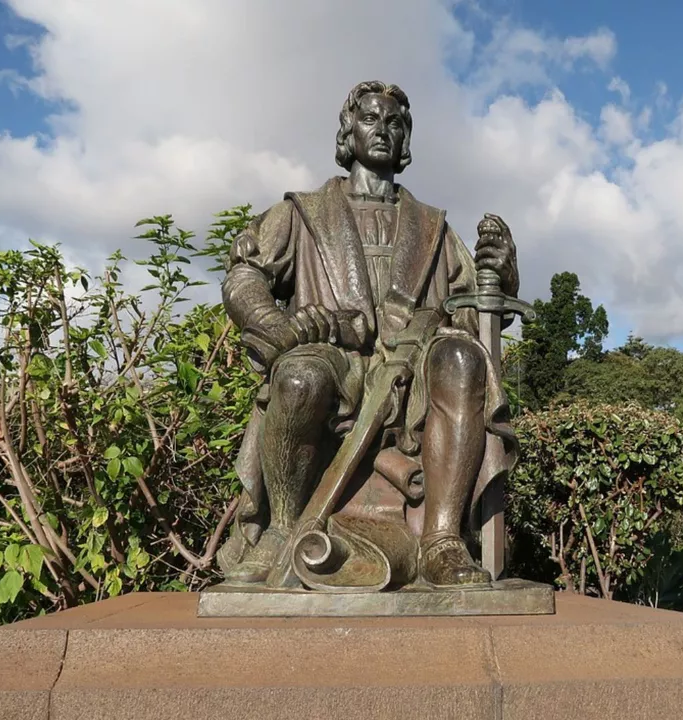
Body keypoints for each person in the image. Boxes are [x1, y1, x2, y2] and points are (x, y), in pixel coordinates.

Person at [216, 80, 520, 590]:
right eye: (371, 118)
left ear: (405, 141)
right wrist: (278, 326)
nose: (384, 129)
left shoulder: (434, 227)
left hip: (413, 369)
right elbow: (244, 274)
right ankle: (284, 529)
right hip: (337, 360)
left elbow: (475, 311)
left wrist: (501, 276)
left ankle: (441, 541)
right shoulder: (301, 213)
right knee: (297, 378)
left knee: (463, 361)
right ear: (348, 131)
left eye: (395, 122)